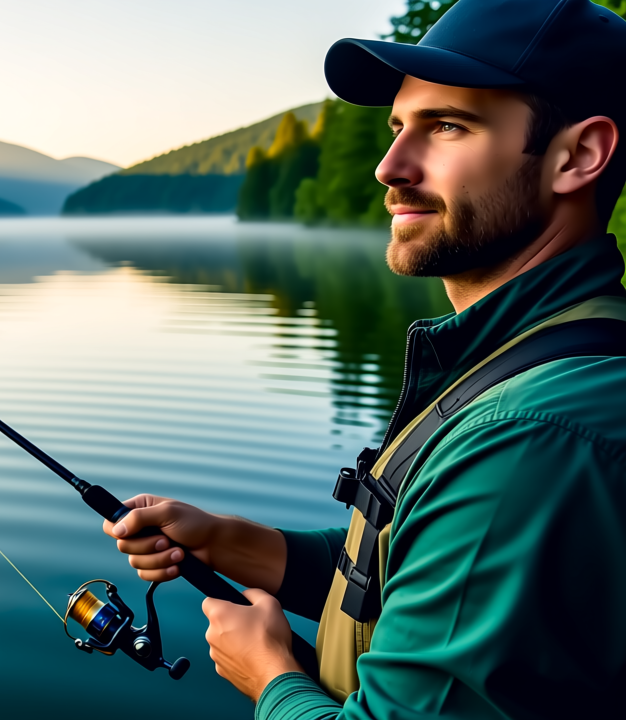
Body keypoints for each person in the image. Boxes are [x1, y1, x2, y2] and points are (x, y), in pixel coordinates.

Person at [103, 1, 626, 718]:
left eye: (447, 126)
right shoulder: (534, 357)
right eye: (397, 128)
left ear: (579, 156)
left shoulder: (529, 437)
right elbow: (419, 573)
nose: (390, 167)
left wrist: (271, 676)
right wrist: (237, 543)